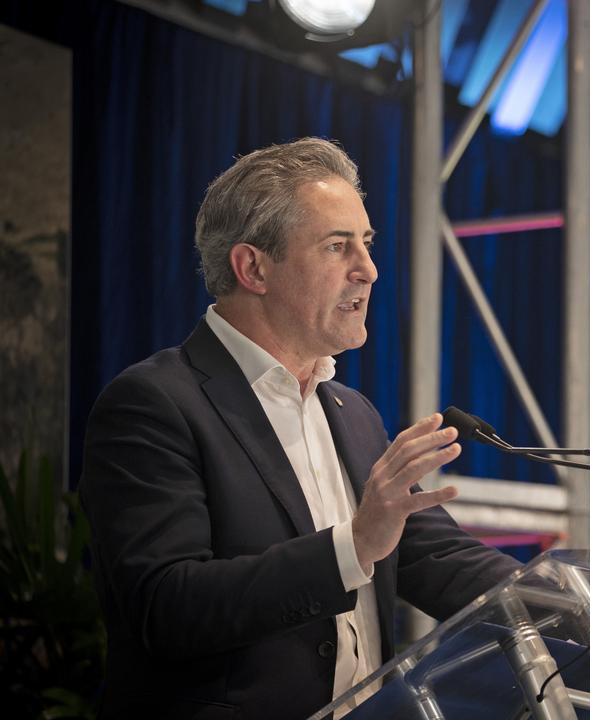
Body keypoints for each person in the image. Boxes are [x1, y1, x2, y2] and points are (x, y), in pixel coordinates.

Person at [79, 138, 523, 719]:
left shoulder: (353, 413)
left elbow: (437, 558)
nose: (368, 269)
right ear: (253, 267)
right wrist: (353, 546)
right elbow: (167, 607)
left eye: (365, 243)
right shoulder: (154, 404)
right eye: (338, 247)